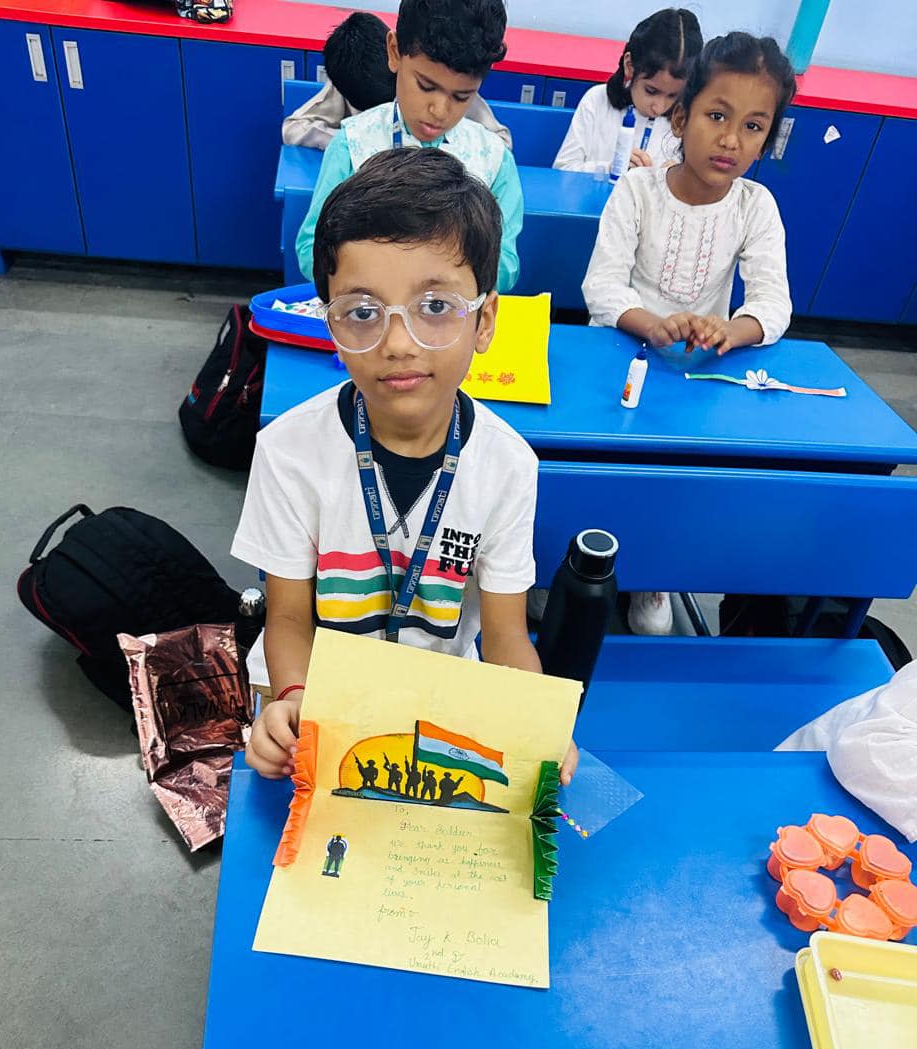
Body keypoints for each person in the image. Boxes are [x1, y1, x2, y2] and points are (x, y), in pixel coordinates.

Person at [233, 149, 576, 786]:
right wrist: (290, 700)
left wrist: (535, 720)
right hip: (315, 700)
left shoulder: (506, 465)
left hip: (435, 703)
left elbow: (503, 634)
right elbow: (285, 618)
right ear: (329, 323)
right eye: (362, 313)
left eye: (436, 308)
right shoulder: (288, 451)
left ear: (485, 321)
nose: (398, 342)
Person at [582, 31, 795, 635]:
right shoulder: (638, 190)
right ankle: (581, 560)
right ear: (681, 116)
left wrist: (735, 330)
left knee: (679, 481)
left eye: (754, 126)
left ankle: (653, 573)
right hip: (620, 359)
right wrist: (652, 325)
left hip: (699, 374)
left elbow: (774, 303)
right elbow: (602, 288)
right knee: (603, 468)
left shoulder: (756, 207)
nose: (731, 139)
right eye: (717, 116)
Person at [294, 0, 523, 294]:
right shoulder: (353, 145)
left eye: (462, 96)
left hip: (449, 325)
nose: (440, 110)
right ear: (394, 52)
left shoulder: (493, 160)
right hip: (370, 316)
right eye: (426, 86)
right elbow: (311, 248)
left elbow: (504, 265)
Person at [281, 11, 512, 152]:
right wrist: (358, 142)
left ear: (397, 61)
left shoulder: (445, 88)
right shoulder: (347, 80)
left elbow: (501, 143)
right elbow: (293, 128)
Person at [555, 10, 702, 175]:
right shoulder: (597, 100)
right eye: (651, 91)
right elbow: (562, 171)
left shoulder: (686, 120)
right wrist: (609, 168)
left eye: (673, 96)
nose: (659, 107)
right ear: (629, 66)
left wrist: (679, 178)